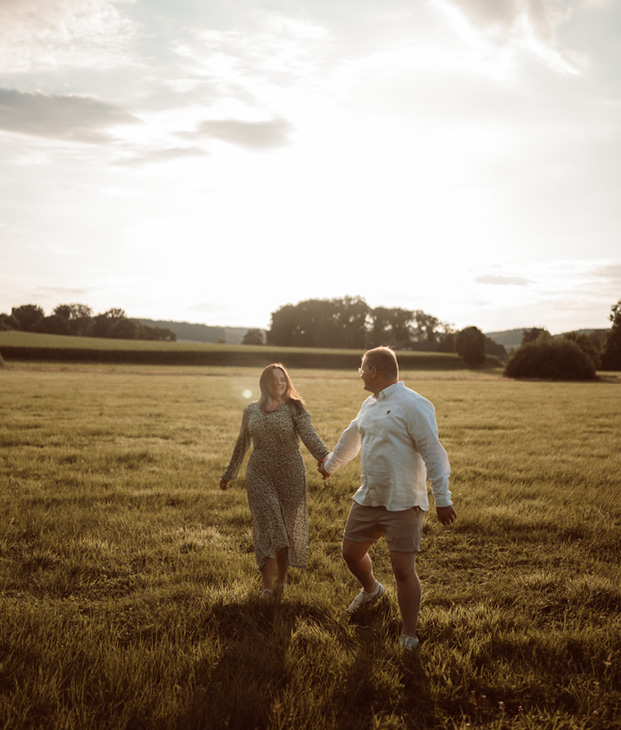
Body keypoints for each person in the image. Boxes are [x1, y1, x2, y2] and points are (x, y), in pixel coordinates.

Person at [318, 346, 456, 650]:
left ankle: (409, 634)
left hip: (404, 501)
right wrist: (330, 465)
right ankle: (372, 590)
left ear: (374, 371)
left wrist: (442, 498)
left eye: (361, 368)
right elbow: (352, 436)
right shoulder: (369, 404)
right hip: (369, 497)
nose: (359, 374)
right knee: (350, 553)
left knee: (403, 570)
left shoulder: (414, 404)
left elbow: (433, 453)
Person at [220, 363, 329, 600]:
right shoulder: (251, 410)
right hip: (259, 473)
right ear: (264, 382)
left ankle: (282, 580)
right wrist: (229, 473)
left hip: (290, 473)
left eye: (283, 379)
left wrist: (325, 458)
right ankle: (267, 587)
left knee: (286, 529)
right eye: (274, 379)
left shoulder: (295, 407)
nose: (279, 383)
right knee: (268, 527)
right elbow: (242, 443)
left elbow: (309, 434)